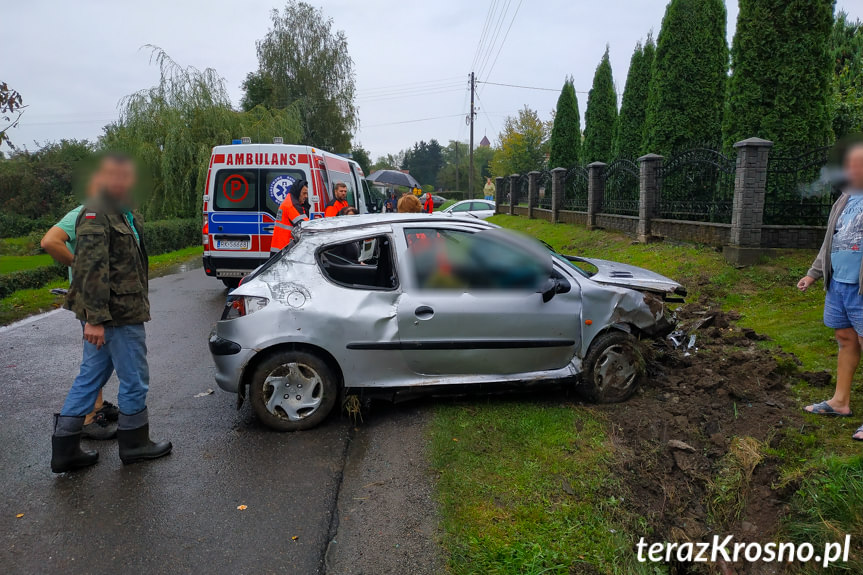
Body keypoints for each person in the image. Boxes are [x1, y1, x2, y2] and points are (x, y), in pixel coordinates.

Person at [52, 153, 171, 473]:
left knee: (91, 378)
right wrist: (93, 319)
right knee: (135, 379)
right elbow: (90, 268)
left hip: (120, 309)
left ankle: (65, 450)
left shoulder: (126, 212)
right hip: (116, 314)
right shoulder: (96, 213)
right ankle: (135, 444)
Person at [41, 170, 119, 440]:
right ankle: (83, 420)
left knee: (99, 357)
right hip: (91, 296)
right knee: (95, 359)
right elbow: (50, 241)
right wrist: (79, 263)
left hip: (100, 296)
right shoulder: (82, 213)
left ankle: (94, 408)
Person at [797, 144, 863, 441]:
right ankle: (840, 402)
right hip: (839, 285)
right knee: (845, 338)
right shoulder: (846, 199)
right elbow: (830, 241)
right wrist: (813, 274)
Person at [271, 179, 310, 254]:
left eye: (307, 193)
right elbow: (306, 227)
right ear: (298, 192)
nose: (306, 196)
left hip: (280, 249)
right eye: (304, 193)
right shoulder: (292, 205)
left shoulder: (289, 201)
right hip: (285, 251)